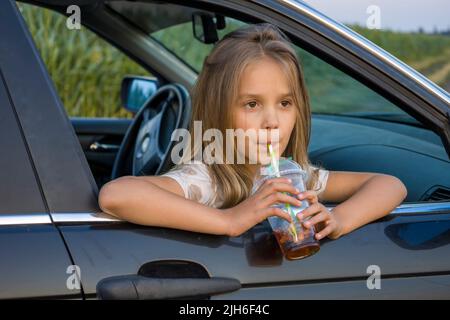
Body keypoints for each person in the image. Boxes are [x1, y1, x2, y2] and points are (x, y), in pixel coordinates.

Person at [98, 23, 407, 239]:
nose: (272, 121)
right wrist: (230, 219)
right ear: (219, 114)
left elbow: (390, 185)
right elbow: (116, 195)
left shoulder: (296, 178)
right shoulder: (209, 179)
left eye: (285, 103)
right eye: (252, 105)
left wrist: (338, 220)